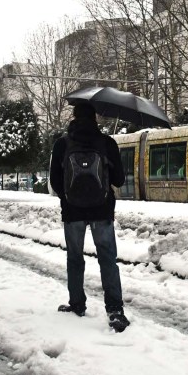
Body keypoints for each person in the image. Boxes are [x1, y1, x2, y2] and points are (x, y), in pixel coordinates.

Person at [49, 102, 130, 332]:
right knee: (107, 259)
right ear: (95, 118)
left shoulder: (62, 144)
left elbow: (55, 182)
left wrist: (68, 198)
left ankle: (77, 304)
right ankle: (114, 309)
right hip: (102, 210)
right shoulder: (107, 143)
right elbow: (119, 180)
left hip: (72, 211)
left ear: (74, 117)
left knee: (75, 258)